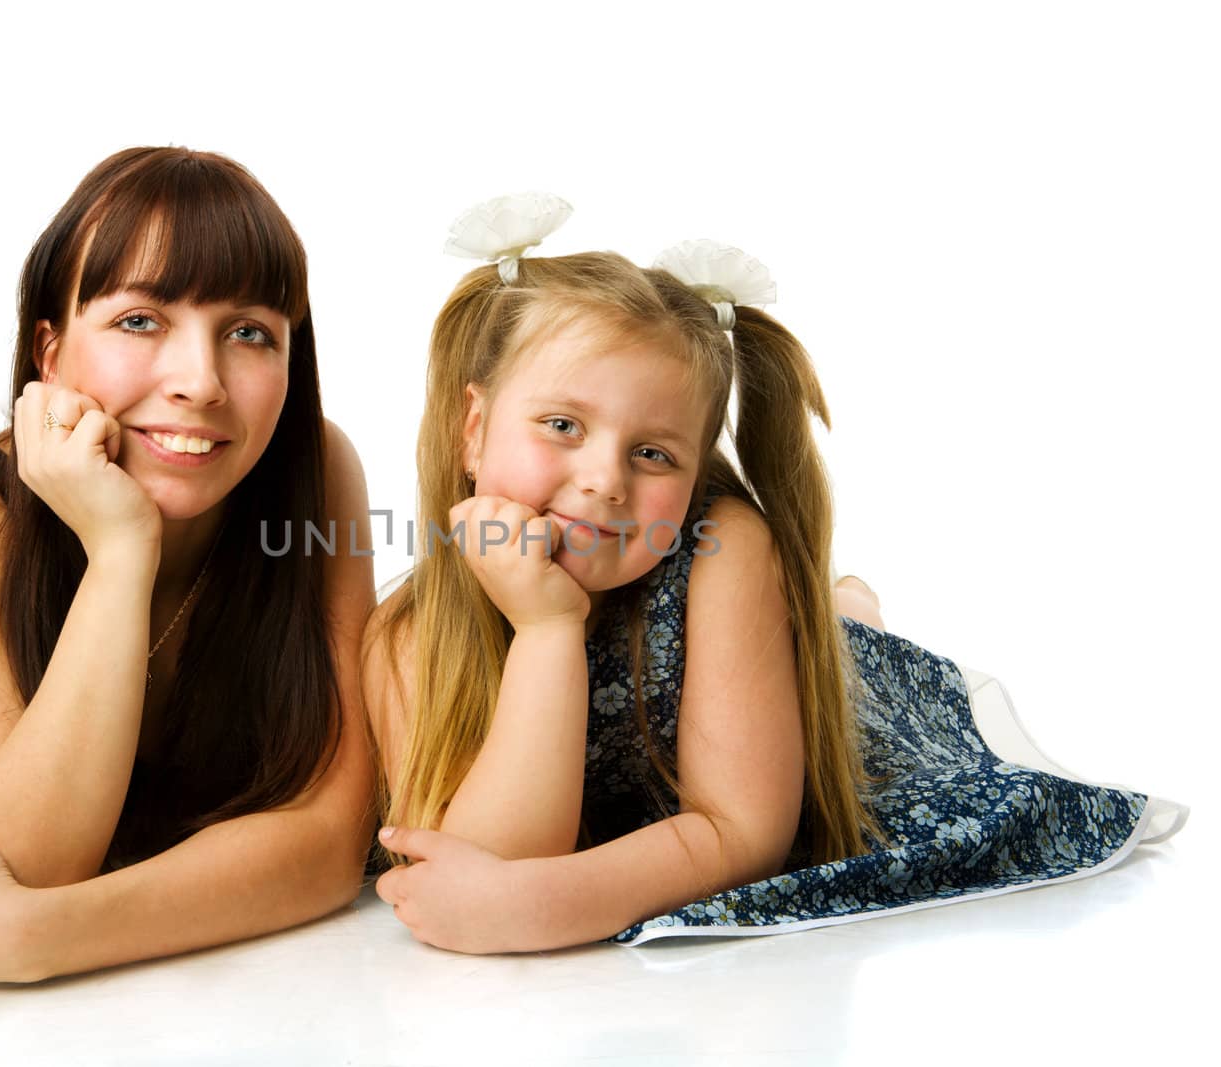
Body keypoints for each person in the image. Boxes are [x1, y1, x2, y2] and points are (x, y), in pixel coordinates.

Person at [364, 197, 1157, 954]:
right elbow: (473, 865)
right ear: (474, 429)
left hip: (809, 706)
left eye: (653, 454)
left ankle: (847, 611)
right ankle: (844, 603)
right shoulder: (405, 635)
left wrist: (542, 906)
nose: (605, 480)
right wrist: (546, 628)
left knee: (849, 665)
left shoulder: (724, 549)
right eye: (562, 425)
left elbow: (736, 830)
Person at [0, 147, 376, 983]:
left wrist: (38, 936)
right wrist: (120, 550)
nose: (200, 381)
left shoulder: (319, 477)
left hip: (304, 999)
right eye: (140, 320)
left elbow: (331, 842)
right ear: (51, 349)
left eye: (249, 332)